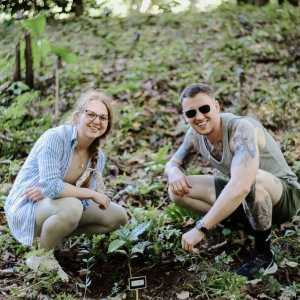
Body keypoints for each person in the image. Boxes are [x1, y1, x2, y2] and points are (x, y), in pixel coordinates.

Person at [164, 83, 300, 281]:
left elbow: (242, 185)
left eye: (204, 109)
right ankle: (244, 227)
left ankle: (264, 256)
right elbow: (173, 163)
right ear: (185, 116)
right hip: (246, 198)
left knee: (251, 179)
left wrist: (201, 227)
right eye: (191, 112)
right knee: (176, 190)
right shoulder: (194, 136)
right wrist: (174, 172)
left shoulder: (241, 129)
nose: (199, 116)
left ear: (216, 106)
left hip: (284, 197)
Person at [4, 90, 128, 282]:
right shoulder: (55, 138)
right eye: (91, 114)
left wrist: (55, 192)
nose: (97, 121)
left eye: (103, 117)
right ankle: (41, 257)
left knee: (118, 216)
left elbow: (62, 194)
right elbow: (56, 189)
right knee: (72, 206)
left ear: (107, 124)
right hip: (28, 207)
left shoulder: (98, 157)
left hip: (54, 206)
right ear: (77, 116)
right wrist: (77, 192)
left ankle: (54, 235)